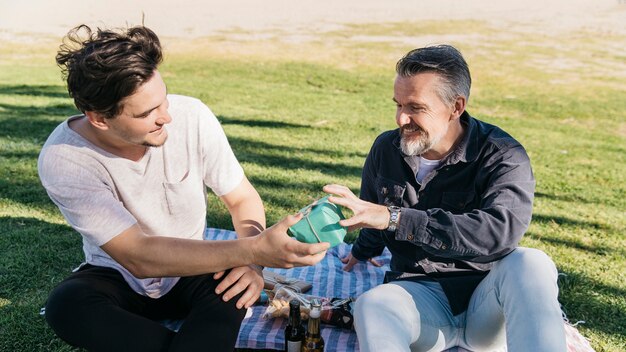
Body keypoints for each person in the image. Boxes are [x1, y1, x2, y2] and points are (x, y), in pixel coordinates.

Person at [38, 25, 329, 352]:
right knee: (67, 306)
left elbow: (241, 198)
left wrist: (252, 264)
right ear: (99, 118)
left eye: (163, 100)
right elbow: (138, 256)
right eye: (147, 113)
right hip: (117, 276)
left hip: (198, 267)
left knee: (232, 288)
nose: (167, 118)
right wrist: (256, 249)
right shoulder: (65, 158)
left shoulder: (192, 116)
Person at [324, 45, 566, 351]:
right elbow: (374, 214)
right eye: (398, 105)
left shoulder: (504, 154)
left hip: (487, 302)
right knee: (371, 305)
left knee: (532, 262)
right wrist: (361, 250)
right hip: (417, 299)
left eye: (415, 107)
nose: (401, 118)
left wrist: (396, 218)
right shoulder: (386, 149)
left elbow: (499, 233)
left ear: (456, 107)